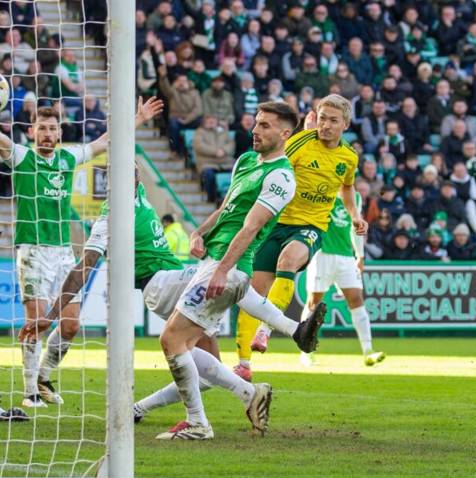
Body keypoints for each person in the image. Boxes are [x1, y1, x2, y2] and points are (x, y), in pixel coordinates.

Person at [36, 165, 323, 430]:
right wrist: (51, 316)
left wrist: (138, 119)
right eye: (126, 174)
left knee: (209, 364)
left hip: (175, 280)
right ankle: (291, 334)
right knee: (224, 278)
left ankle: (239, 392)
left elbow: (125, 153)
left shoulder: (137, 193)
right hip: (160, 285)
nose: (135, 177)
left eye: (135, 173)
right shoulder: (109, 219)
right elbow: (82, 269)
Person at [0, 76, 163, 407]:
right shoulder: (21, 158)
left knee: (70, 325)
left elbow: (104, 142)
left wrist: (138, 120)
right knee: (34, 323)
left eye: (53, 129)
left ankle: (43, 378)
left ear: (59, 132)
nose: (48, 134)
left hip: (64, 253)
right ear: (31, 132)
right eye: (42, 128)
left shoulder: (68, 159)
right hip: (32, 251)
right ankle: (28, 392)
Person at [155, 102, 323, 440]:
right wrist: (199, 232)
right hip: (214, 260)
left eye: (265, 126)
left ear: (285, 134)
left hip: (228, 267)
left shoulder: (281, 177)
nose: (256, 130)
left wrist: (222, 270)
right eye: (256, 123)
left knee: (171, 338)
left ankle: (198, 423)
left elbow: (250, 227)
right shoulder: (247, 162)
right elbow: (226, 208)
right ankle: (257, 384)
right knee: (186, 343)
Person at [237, 95, 367, 380]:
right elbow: (274, 165)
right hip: (276, 223)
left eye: (333, 120)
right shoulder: (300, 142)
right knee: (254, 292)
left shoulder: (349, 157)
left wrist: (355, 214)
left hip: (310, 226)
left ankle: (266, 329)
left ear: (345, 124)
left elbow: (347, 187)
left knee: (289, 258)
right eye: (322, 118)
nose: (326, 125)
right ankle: (243, 363)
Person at [301, 195, 385, 367]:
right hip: (322, 253)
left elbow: (356, 226)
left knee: (356, 299)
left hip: (346, 256)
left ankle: (368, 351)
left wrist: (359, 254)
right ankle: (305, 352)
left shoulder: (356, 197)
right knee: (313, 303)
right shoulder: (325, 188)